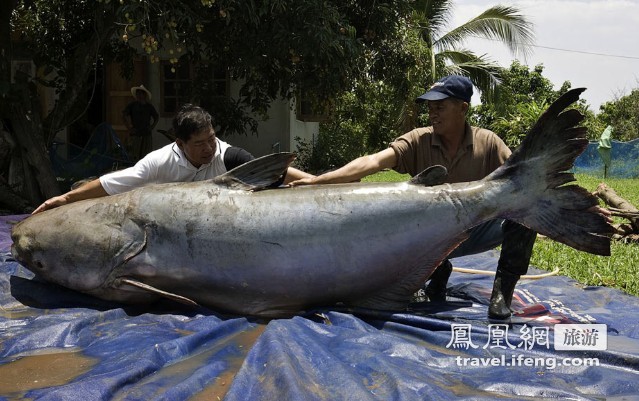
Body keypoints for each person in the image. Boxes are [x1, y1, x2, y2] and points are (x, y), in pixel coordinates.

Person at [290, 75, 538, 319]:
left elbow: (520, 176)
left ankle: (502, 293)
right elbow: (373, 161)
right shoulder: (419, 140)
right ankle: (435, 270)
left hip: (475, 229)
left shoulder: (489, 142)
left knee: (526, 211)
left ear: (463, 108)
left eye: (439, 107)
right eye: (430, 108)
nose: (433, 113)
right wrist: (318, 180)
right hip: (427, 237)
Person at [33, 104, 313, 214]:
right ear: (179, 143)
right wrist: (66, 200)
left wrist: (318, 182)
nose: (209, 148)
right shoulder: (158, 163)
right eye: (200, 143)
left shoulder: (228, 156)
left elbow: (276, 171)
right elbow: (110, 184)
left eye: (212, 139)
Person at [123, 84, 159, 160]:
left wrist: (152, 127)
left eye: (140, 93)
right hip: (136, 133)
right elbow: (124, 115)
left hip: (146, 133)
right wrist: (129, 128)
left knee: (146, 156)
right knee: (134, 155)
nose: (138, 95)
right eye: (137, 93)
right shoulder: (132, 105)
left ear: (144, 95)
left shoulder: (149, 107)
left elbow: (156, 117)